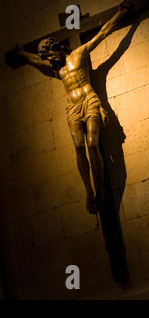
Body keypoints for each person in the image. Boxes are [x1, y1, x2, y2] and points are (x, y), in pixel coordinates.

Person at [15, 1, 134, 214]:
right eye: (47, 58)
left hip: (89, 101)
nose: (49, 60)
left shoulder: (78, 54)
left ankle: (101, 191)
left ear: (56, 48)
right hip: (72, 109)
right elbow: (34, 61)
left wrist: (121, 13)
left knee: (91, 144)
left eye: (50, 54)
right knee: (79, 147)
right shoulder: (57, 69)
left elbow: (103, 33)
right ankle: (89, 192)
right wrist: (22, 53)